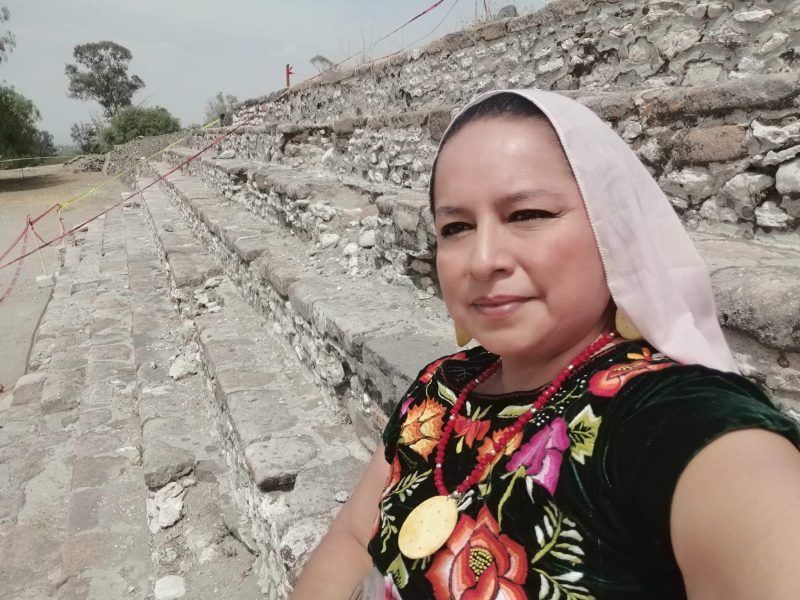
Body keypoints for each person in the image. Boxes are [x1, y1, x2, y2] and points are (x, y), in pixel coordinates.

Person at [290, 90, 800, 599]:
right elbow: (354, 534)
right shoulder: (441, 388)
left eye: (527, 214)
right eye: (456, 227)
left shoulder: (669, 420)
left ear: (611, 229)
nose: (483, 260)